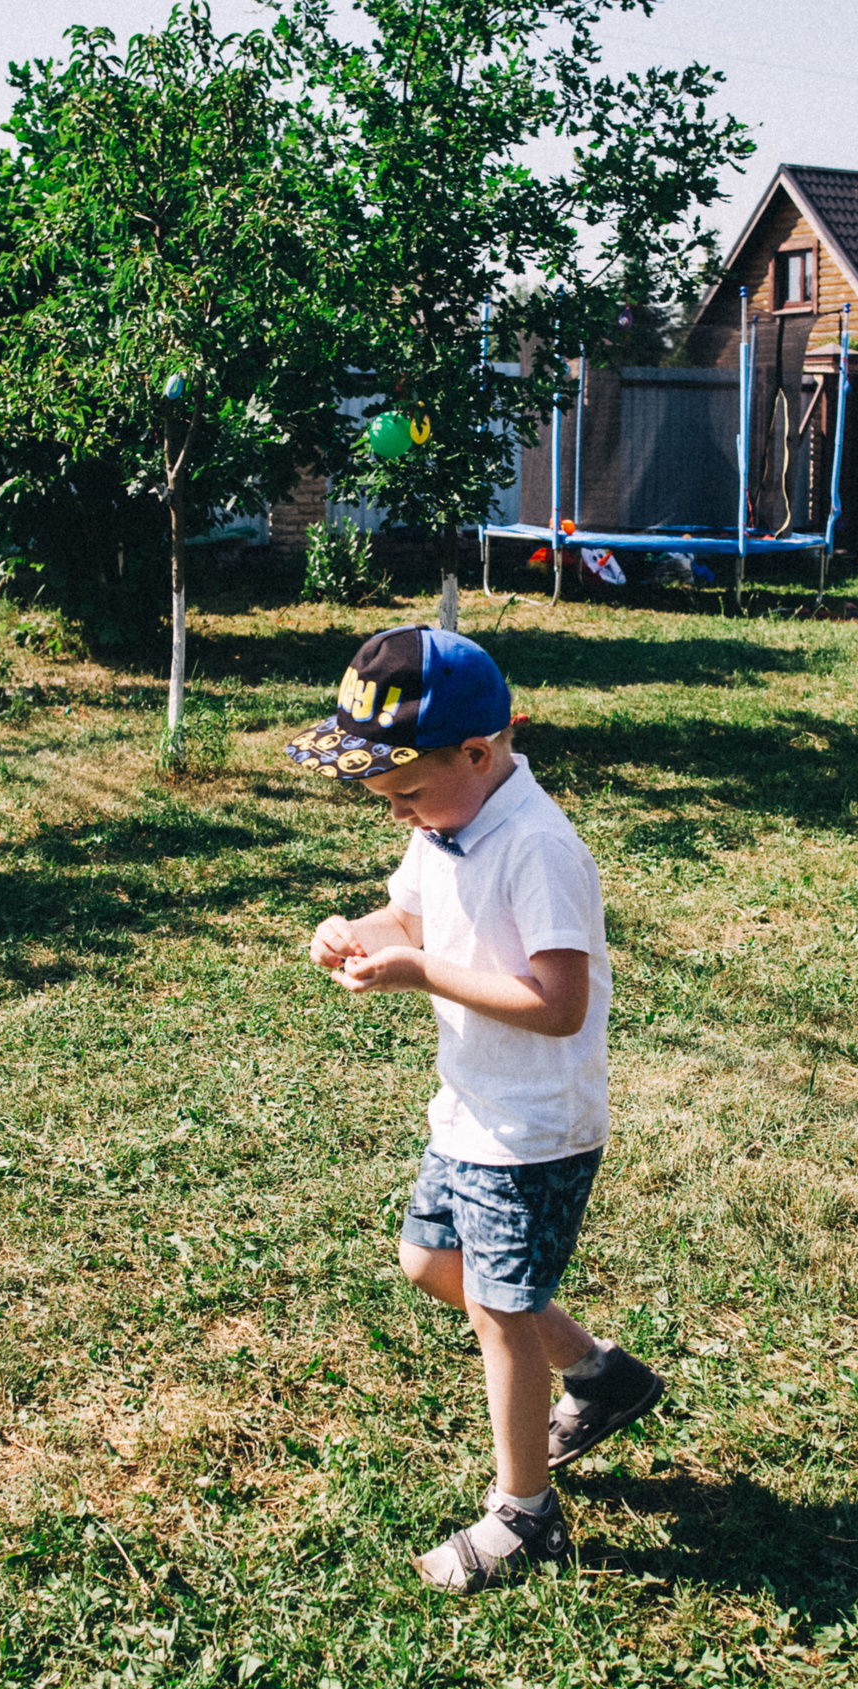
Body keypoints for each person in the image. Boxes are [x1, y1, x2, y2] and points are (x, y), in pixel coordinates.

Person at [288, 625, 663, 1593]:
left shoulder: (537, 847)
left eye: (406, 793)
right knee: (430, 1262)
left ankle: (527, 1513)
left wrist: (423, 974)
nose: (397, 814)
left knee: (501, 1308)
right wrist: (354, 932)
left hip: (534, 1126)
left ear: (476, 754)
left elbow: (558, 1002)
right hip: (470, 1109)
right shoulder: (442, 823)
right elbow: (409, 916)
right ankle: (601, 1376)